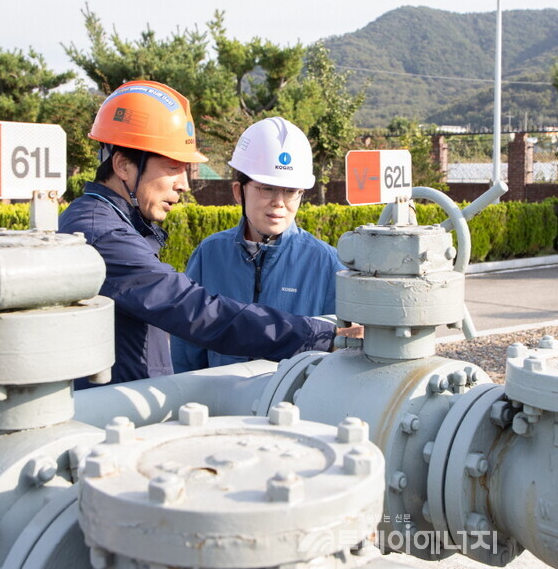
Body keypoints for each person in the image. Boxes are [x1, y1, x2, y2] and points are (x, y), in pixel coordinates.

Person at [59, 80, 357, 389]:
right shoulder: (103, 236)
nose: (184, 184)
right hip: (117, 415)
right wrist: (319, 335)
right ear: (123, 165)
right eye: (174, 166)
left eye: (291, 191)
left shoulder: (113, 226)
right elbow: (195, 312)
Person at [171, 117, 343, 372]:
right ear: (239, 191)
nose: (279, 202)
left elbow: (339, 355)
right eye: (267, 188)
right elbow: (186, 350)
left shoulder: (327, 262)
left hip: (294, 407)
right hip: (218, 406)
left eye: (291, 191)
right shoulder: (210, 254)